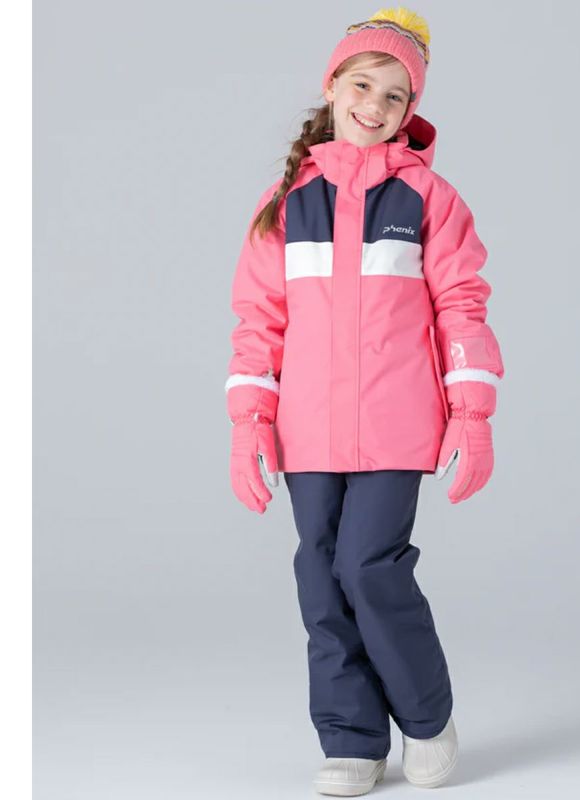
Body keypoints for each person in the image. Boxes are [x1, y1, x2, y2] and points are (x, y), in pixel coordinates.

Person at [225, 6, 504, 795]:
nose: (375, 106)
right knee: (320, 578)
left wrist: (472, 414)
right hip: (307, 430)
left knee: (369, 567)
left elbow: (462, 307)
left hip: (396, 425)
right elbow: (257, 322)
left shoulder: (430, 200)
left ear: (410, 110)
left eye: (394, 95)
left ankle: (426, 718)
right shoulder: (286, 203)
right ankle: (351, 737)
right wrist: (248, 422)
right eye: (362, 85)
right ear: (333, 86)